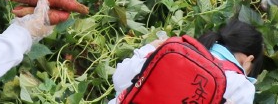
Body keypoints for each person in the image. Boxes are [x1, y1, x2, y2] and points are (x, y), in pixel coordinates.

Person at [110, 19, 261, 104]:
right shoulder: (242, 86)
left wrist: (147, 48)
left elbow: (119, 80)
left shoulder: (174, 50)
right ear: (249, 59)